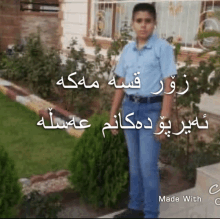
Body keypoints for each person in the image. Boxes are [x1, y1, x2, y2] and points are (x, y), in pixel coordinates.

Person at [109, 3, 177, 218]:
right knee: (135, 163)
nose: (143, 25)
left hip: (151, 110)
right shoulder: (127, 49)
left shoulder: (162, 48)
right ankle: (135, 207)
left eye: (148, 21)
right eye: (139, 21)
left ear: (154, 23)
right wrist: (112, 114)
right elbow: (121, 82)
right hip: (130, 109)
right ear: (132, 24)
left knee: (148, 165)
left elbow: (169, 85)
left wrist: (164, 120)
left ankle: (150, 213)